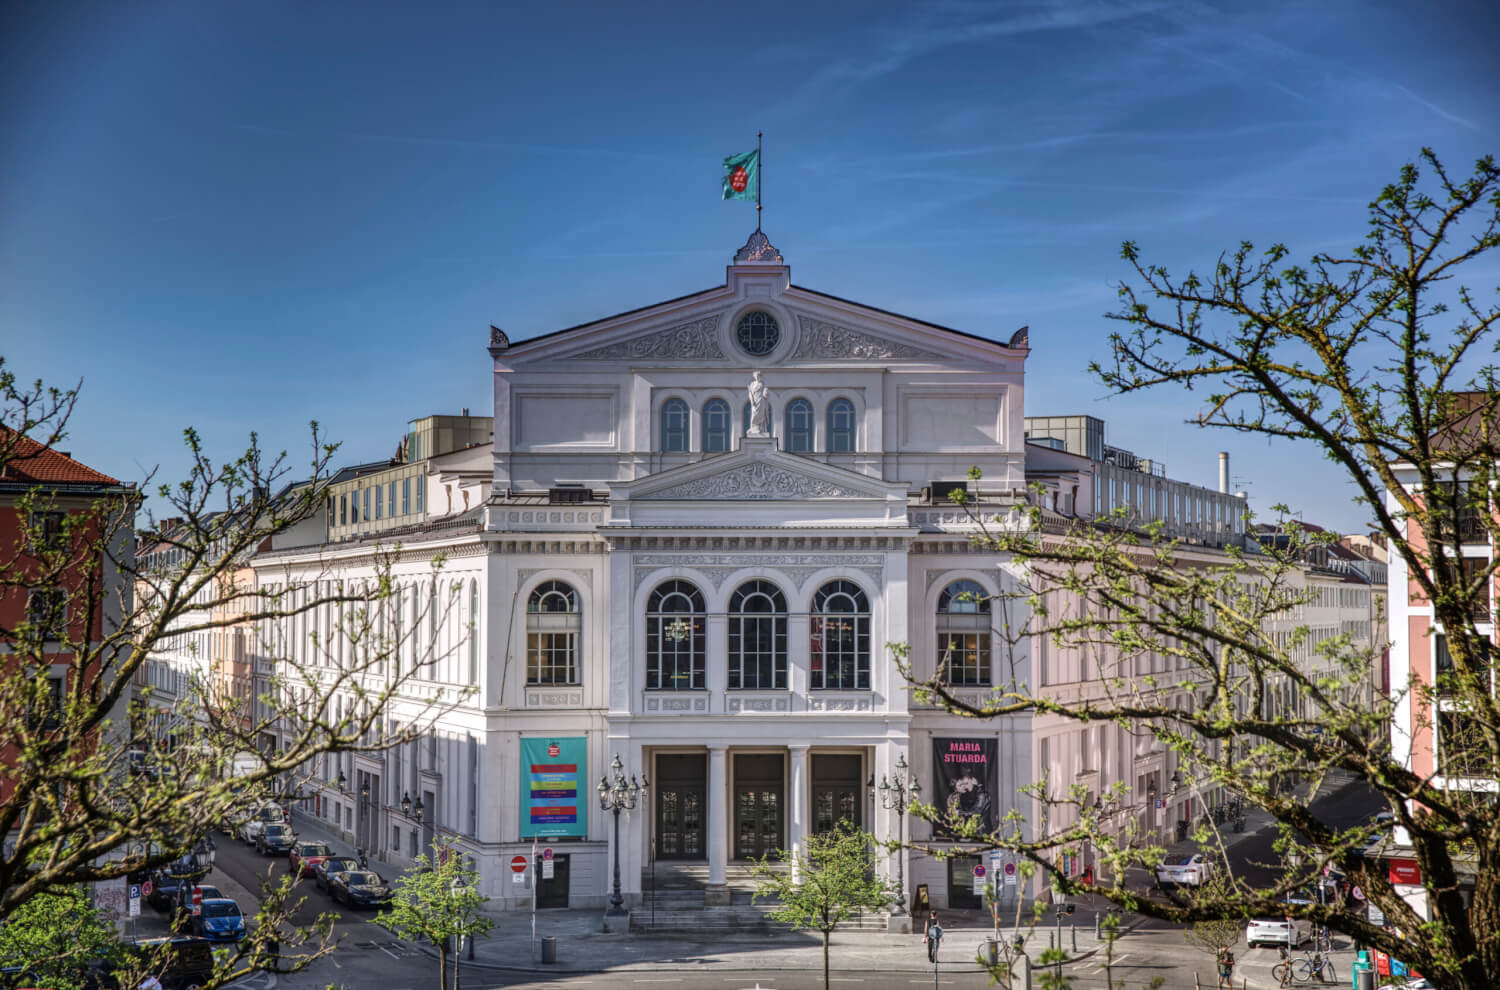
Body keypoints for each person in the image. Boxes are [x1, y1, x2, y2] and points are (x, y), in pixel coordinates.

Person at [747, 371, 770, 436]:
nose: (757, 377)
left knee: (760, 414)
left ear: (760, 376)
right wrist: (752, 401)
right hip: (754, 401)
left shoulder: (762, 383)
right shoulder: (752, 384)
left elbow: (765, 393)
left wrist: (766, 394)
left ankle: (760, 428)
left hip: (761, 400)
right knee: (754, 414)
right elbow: (750, 393)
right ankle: (753, 428)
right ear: (754, 376)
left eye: (758, 376)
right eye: (756, 376)